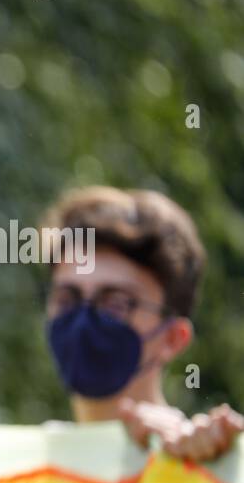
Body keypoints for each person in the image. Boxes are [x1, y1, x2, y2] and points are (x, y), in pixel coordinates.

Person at [40, 186, 242, 460]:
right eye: (67, 299)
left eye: (115, 304)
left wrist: (207, 467)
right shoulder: (16, 471)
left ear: (173, 338)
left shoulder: (203, 462)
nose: (82, 322)